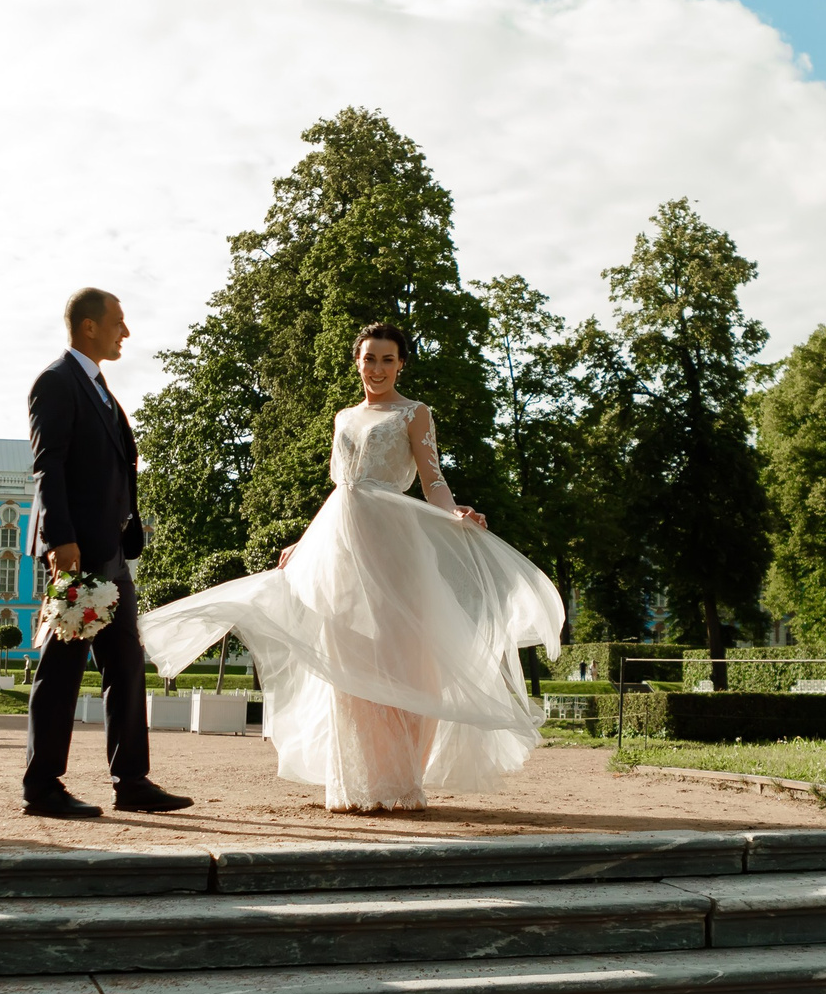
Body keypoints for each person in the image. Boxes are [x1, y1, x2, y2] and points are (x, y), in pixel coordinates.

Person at [140, 323, 562, 813]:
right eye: (370, 359)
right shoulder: (343, 417)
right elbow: (341, 489)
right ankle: (354, 784)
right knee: (350, 662)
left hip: (394, 549)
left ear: (401, 363)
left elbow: (433, 481)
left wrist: (455, 514)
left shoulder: (414, 413)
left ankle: (402, 783)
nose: (378, 369)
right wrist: (304, 542)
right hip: (340, 548)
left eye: (387, 359)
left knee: (405, 662)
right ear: (357, 362)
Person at [21, 288, 191, 817]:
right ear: (89, 326)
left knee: (126, 663)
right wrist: (60, 542)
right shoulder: (56, 382)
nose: (127, 331)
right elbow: (48, 466)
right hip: (77, 552)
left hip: (109, 553)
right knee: (63, 666)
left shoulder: (96, 386)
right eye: (119, 321)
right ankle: (43, 786)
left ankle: (132, 781)